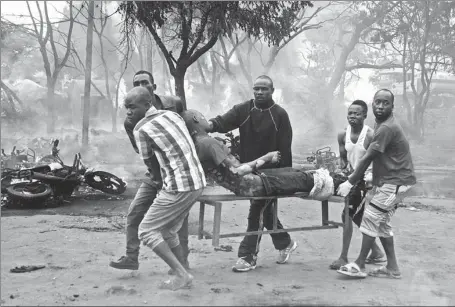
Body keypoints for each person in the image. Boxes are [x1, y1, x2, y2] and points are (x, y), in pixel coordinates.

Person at [207, 75, 297, 272]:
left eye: (264, 89)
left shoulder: (280, 114)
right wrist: (207, 125)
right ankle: (284, 242)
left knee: (256, 211)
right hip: (248, 170)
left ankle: (247, 256)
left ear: (272, 91)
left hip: (271, 175)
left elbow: (285, 147)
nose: (259, 92)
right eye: (256, 88)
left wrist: (286, 178)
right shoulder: (243, 110)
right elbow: (223, 122)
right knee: (266, 211)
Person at [124, 86, 206, 290]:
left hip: (180, 186)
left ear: (148, 104)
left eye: (132, 107)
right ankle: (183, 269)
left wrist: (163, 189)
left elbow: (152, 168)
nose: (128, 112)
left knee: (146, 230)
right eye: (126, 108)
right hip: (197, 182)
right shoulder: (172, 116)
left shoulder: (140, 130)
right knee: (168, 230)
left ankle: (181, 274)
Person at [109, 70, 190, 273]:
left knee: (178, 221)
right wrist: (157, 176)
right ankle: (131, 256)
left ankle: (182, 263)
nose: (142, 85)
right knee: (135, 212)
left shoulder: (173, 104)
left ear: (154, 86)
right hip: (155, 171)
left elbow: (187, 131)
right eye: (137, 83)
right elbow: (142, 151)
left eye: (146, 82)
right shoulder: (131, 119)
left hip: (180, 171)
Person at [336, 89, 416, 279]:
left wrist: (350, 181)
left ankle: (360, 264)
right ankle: (392, 268)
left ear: (392, 106)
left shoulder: (386, 128)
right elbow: (382, 157)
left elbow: (368, 157)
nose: (380, 106)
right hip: (391, 181)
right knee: (382, 224)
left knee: (370, 217)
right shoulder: (381, 125)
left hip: (396, 182)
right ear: (373, 104)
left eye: (385, 103)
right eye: (377, 102)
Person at [182, 109, 346, 200]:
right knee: (304, 178)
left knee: (293, 172)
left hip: (249, 183)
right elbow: (237, 171)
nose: (207, 119)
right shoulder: (208, 143)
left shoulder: (198, 144)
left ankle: (341, 180)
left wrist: (265, 159)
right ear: (196, 119)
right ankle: (344, 183)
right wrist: (266, 157)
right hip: (253, 185)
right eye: (203, 116)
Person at [329, 100, 385, 270]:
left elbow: (378, 160)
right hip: (351, 178)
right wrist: (341, 170)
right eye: (350, 113)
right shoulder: (342, 134)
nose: (352, 116)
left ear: (364, 116)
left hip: (365, 180)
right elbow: (344, 159)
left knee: (347, 214)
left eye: (357, 113)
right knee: (356, 215)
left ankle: (343, 257)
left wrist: (372, 181)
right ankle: (376, 251)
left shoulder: (370, 135)